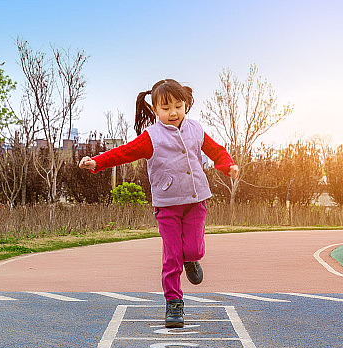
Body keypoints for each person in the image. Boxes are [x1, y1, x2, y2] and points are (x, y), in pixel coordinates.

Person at [79, 78, 239, 328]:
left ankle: (192, 259)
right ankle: (174, 303)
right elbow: (124, 152)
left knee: (194, 250)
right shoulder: (151, 137)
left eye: (178, 106)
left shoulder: (196, 129)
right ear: (155, 110)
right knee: (172, 255)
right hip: (167, 205)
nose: (173, 112)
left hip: (196, 201)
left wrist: (227, 165)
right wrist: (97, 162)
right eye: (165, 108)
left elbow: (216, 150)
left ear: (186, 104)